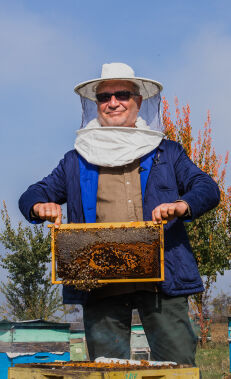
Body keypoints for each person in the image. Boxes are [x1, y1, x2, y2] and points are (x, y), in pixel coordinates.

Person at [19, 62, 220, 365]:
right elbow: (32, 195)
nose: (113, 102)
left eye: (122, 94)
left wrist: (182, 205)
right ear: (95, 105)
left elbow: (206, 187)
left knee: (180, 368)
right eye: (104, 97)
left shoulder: (168, 152)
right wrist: (39, 206)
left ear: (138, 102)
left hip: (163, 283)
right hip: (100, 284)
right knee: (106, 371)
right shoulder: (76, 160)